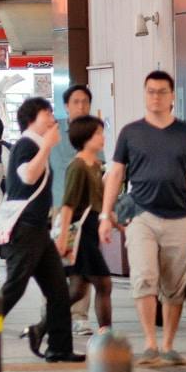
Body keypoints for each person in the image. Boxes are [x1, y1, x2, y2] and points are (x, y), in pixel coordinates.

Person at [101, 69, 186, 365]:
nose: (155, 96)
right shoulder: (131, 132)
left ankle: (168, 344)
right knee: (144, 277)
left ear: (172, 97)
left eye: (162, 91)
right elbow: (115, 174)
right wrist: (105, 214)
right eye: (150, 91)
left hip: (179, 217)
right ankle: (150, 343)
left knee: (174, 285)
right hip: (142, 216)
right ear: (144, 94)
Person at [0, 96, 79, 366]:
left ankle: (59, 348)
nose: (52, 118)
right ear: (32, 119)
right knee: (14, 288)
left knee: (58, 290)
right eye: (47, 114)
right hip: (24, 231)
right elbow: (28, 176)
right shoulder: (27, 146)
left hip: (38, 230)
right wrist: (48, 148)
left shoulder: (36, 145)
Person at [57, 115, 115, 337]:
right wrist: (63, 238)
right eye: (98, 134)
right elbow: (68, 205)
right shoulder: (78, 166)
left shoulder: (96, 165)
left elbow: (97, 202)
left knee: (78, 290)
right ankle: (106, 335)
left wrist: (114, 222)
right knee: (104, 283)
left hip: (91, 230)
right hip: (80, 235)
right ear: (85, 138)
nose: (102, 138)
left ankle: (42, 326)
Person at [49, 82, 92, 194]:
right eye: (76, 102)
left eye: (85, 102)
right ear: (66, 106)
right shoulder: (54, 129)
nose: (81, 107)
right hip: (58, 197)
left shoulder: (94, 132)